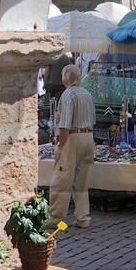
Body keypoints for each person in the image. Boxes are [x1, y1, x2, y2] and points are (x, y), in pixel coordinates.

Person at [50, 63, 95, 229]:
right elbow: (93, 118)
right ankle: (83, 218)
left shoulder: (68, 95)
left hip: (73, 137)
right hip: (88, 137)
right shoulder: (87, 93)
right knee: (82, 182)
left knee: (62, 179)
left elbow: (65, 125)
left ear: (65, 78)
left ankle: (56, 218)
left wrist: (60, 143)